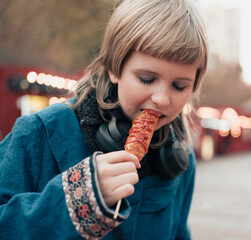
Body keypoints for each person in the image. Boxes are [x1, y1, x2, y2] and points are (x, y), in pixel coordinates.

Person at [0, 0, 208, 239]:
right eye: (147, 79)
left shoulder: (181, 160)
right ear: (114, 68)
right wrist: (77, 201)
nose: (162, 99)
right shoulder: (38, 133)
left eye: (179, 86)